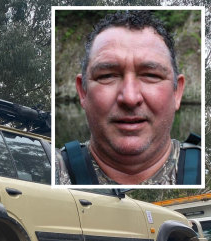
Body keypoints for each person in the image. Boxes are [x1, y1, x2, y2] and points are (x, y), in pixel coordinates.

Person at [56, 10, 201, 185]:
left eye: (151, 75)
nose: (130, 98)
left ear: (177, 92)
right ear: (83, 92)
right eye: (107, 76)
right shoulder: (51, 170)